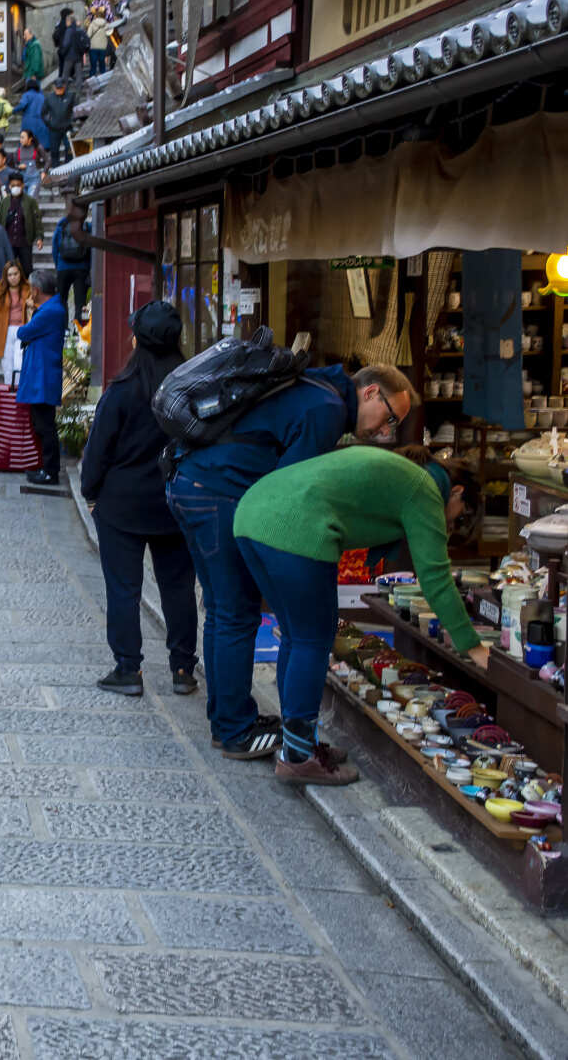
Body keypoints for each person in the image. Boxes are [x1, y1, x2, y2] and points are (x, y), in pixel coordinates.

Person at [168, 361, 415, 763]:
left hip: (191, 482)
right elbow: (291, 493)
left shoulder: (318, 387)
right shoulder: (327, 409)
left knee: (223, 610)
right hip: (218, 492)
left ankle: (228, 722)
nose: (385, 431)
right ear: (370, 392)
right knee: (236, 613)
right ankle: (234, 730)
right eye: (389, 417)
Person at [234, 446, 487, 785]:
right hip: (294, 526)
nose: (451, 523)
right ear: (456, 492)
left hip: (253, 514)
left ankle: (298, 743)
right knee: (313, 638)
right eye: (457, 516)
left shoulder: (406, 474)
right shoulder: (425, 489)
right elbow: (436, 577)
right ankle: (298, 757)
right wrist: (472, 646)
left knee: (297, 636)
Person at [80, 301, 198, 698]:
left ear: (138, 339)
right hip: (175, 499)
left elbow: (98, 451)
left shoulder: (124, 389)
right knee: (178, 587)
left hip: (123, 502)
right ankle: (183, 668)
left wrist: (91, 493)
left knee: (124, 588)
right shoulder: (191, 389)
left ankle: (128, 668)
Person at [16, 268, 66, 485]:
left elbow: (23, 332)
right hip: (42, 375)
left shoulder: (49, 311)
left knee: (45, 425)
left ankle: (50, 471)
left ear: (36, 290)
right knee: (41, 423)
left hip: (43, 377)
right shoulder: (52, 307)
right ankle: (46, 467)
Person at [52, 213, 92, 323]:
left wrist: (58, 265)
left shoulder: (61, 226)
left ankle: (64, 328)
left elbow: (54, 247)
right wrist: (89, 266)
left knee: (61, 300)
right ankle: (78, 328)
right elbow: (91, 248)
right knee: (80, 301)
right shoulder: (86, 226)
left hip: (63, 267)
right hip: (81, 268)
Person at [0, 260, 28, 362]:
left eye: (15, 274)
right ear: (5, 276)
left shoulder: (28, 288)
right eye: (9, 275)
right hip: (4, 331)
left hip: (23, 329)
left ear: (20, 274)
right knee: (8, 367)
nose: (13, 277)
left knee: (20, 364)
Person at [0, 176, 42, 275]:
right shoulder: (4, 202)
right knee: (9, 269)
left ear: (23, 185)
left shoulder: (30, 201)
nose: (16, 187)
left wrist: (39, 237)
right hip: (8, 242)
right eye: (13, 185)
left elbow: (37, 220)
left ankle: (27, 289)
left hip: (25, 241)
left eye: (18, 185)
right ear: (9, 186)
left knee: (27, 269)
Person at [42, 78, 77, 167]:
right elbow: (43, 113)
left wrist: (72, 119)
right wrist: (49, 123)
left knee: (69, 149)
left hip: (67, 128)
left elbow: (75, 109)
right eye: (57, 88)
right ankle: (55, 168)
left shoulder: (70, 96)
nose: (59, 90)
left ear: (64, 87)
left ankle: (69, 167)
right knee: (54, 150)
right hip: (54, 129)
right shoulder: (49, 98)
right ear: (54, 88)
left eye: (61, 88)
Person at [13, 129, 48, 197]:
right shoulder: (19, 150)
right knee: (23, 202)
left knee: (31, 199)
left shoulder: (37, 147)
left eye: (23, 137)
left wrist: (44, 172)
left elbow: (48, 160)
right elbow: (14, 164)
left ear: (30, 139)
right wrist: (19, 167)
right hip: (22, 180)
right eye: (20, 137)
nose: (21, 139)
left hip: (34, 179)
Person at [57, 14, 88, 84]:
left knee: (65, 75)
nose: (66, 23)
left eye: (66, 22)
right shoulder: (79, 30)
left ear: (69, 22)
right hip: (78, 56)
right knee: (79, 75)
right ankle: (78, 91)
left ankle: (63, 91)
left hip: (69, 57)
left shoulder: (69, 30)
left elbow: (66, 43)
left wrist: (63, 52)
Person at [87, 8, 115, 75]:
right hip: (103, 46)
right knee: (102, 64)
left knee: (93, 64)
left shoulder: (92, 24)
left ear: (96, 16)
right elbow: (109, 33)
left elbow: (88, 35)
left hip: (93, 47)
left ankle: (92, 77)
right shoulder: (107, 24)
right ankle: (103, 76)